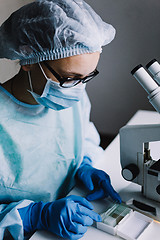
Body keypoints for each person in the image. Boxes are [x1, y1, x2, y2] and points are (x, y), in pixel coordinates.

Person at [0, 0, 121, 239]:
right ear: (29, 56)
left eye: (86, 77)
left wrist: (85, 163)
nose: (76, 89)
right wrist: (33, 215)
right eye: (69, 77)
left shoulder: (69, 92)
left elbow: (82, 135)